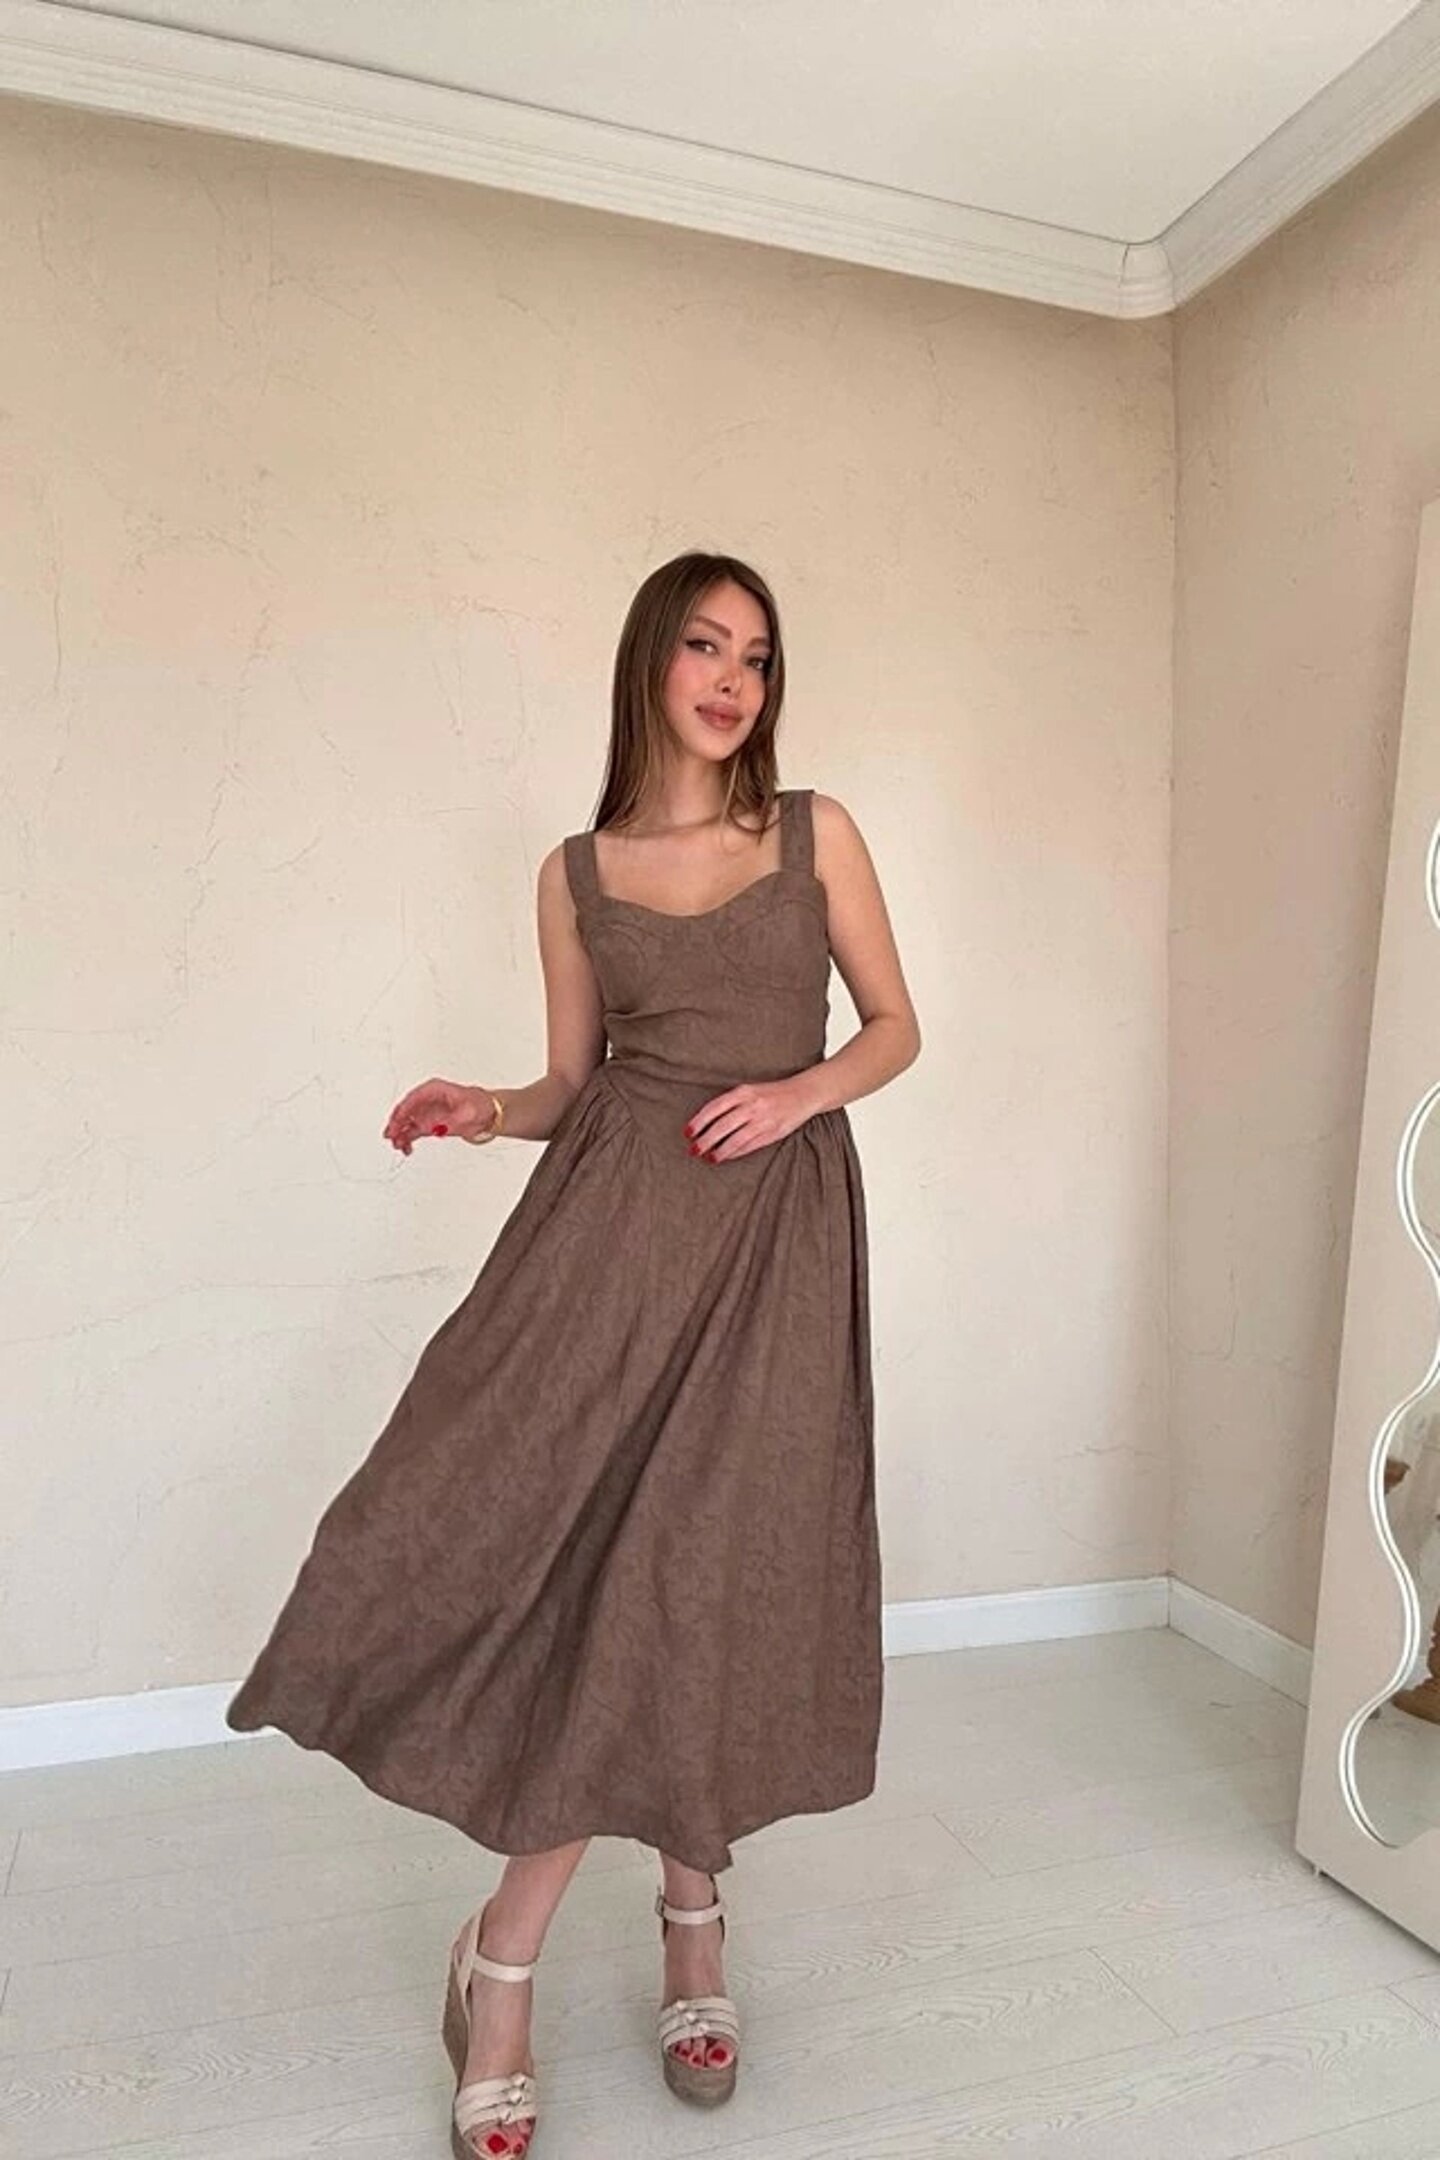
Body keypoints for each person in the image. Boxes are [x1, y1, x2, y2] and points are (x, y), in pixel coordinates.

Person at [225, 550, 922, 2157]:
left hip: (775, 1250)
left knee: (708, 1572)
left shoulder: (815, 834)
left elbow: (895, 1027)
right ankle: (515, 1961)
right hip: (608, 1249)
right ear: (649, 662)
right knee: (577, 1562)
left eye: (758, 654)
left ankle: (671, 1923)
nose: (733, 678)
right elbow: (573, 1080)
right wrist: (487, 1107)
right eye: (705, 645)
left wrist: (799, 1094)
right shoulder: (574, 873)